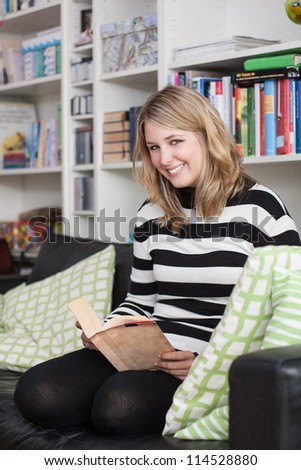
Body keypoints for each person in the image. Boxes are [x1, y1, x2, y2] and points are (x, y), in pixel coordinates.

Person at [14, 85, 301, 435]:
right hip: (148, 352)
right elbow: (140, 301)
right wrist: (109, 331)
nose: (165, 158)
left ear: (206, 136)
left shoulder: (261, 207)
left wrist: (207, 363)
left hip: (208, 363)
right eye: (154, 147)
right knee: (36, 392)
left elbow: (287, 313)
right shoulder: (150, 214)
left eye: (175, 141)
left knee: (118, 406)